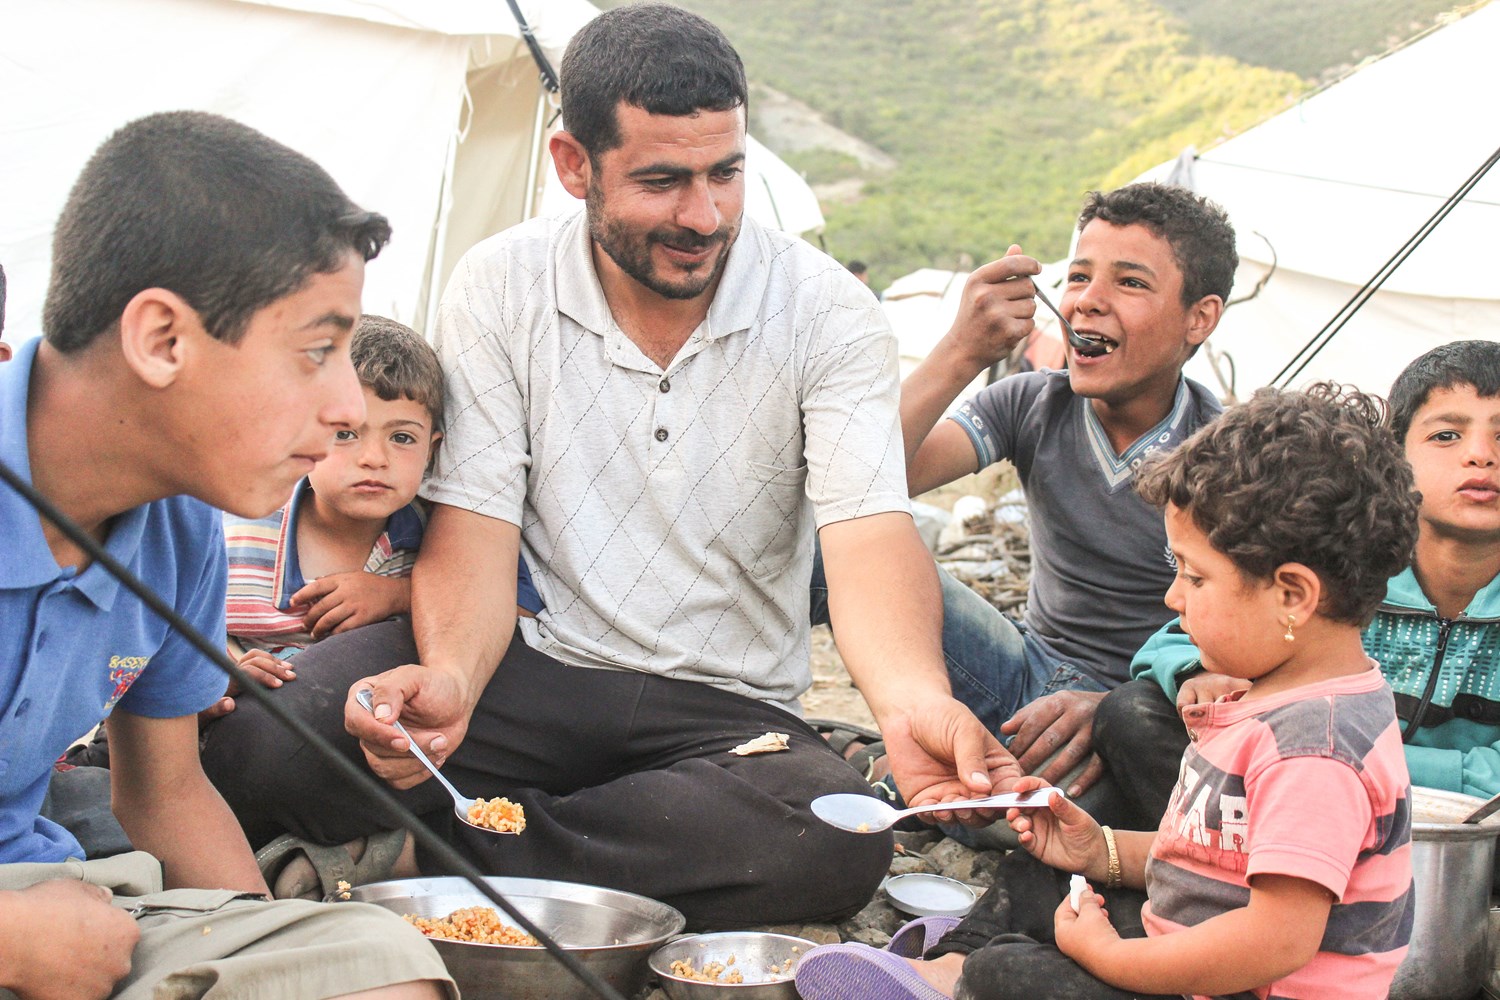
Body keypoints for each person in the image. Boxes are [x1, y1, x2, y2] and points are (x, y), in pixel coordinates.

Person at [199, 3, 1018, 931]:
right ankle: (556, 851)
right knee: (261, 744)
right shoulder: (501, 284)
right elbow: (475, 524)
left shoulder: (827, 312)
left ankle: (425, 853)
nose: (703, 216)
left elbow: (866, 533)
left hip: (722, 708)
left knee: (830, 834)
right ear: (573, 164)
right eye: (662, 181)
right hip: (527, 665)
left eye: (726, 173)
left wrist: (912, 703)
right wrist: (453, 682)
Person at [0, 111, 453, 1000]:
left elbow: (165, 794)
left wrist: (270, 954)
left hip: (71, 904)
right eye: (317, 352)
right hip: (26, 931)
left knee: (379, 964)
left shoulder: (180, 528)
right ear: (162, 340)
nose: (344, 407)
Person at [796, 383, 1419, 1000]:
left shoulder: (1315, 750)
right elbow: (1210, 866)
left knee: (1009, 976)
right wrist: (1101, 851)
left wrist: (1109, 957)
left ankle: (969, 971)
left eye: (1195, 577)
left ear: (1292, 595)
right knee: (1053, 872)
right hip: (1196, 939)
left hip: (1237, 981)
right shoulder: (1270, 695)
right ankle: (957, 961)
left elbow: (1274, 943)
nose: (1173, 598)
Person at [823, 183, 1236, 806]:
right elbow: (864, 475)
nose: (1088, 300)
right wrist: (963, 350)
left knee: (1086, 795)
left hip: (1134, 715)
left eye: (1130, 282)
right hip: (1020, 673)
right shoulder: (1032, 403)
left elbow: (1248, 654)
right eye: (1078, 277)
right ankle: (916, 744)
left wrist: (1112, 704)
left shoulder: (1227, 455)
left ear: (1199, 318)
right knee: (826, 549)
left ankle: (925, 778)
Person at [1097, 339, 1500, 828]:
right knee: (1134, 713)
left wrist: (1348, 758)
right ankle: (1227, 861)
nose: (1480, 455)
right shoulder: (1348, 554)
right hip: (1292, 793)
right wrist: (1196, 675)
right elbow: (1172, 643)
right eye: (1446, 435)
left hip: (1470, 823)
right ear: (1396, 454)